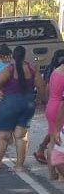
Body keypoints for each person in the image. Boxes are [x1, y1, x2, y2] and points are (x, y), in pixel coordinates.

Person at [0, 45, 46, 174]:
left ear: (13, 56)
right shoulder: (32, 69)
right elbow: (41, 86)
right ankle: (19, 166)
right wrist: (38, 100)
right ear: (25, 56)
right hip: (27, 104)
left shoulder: (9, 69)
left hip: (9, 104)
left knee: (3, 136)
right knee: (21, 136)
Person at [41, 50, 64, 179]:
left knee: (52, 141)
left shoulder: (55, 71)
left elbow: (48, 89)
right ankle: (60, 174)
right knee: (59, 142)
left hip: (51, 105)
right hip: (60, 108)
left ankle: (52, 173)